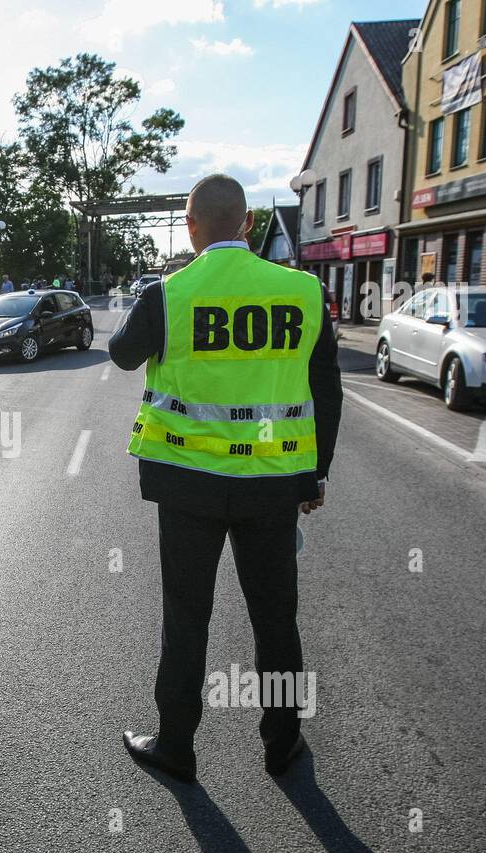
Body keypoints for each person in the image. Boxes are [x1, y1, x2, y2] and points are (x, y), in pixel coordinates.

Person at [110, 173, 342, 784]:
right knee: (276, 618)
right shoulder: (302, 292)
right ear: (246, 225)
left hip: (188, 485)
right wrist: (315, 473)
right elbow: (327, 389)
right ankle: (283, 743)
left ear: (190, 227)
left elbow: (121, 353)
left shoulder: (170, 294)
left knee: (186, 617)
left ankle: (177, 747)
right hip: (272, 483)